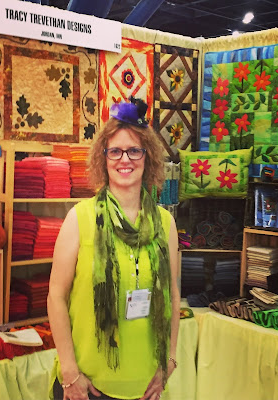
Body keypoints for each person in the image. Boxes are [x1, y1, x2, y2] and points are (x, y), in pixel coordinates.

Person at [47, 97, 180, 400]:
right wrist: (69, 372)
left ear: (148, 157)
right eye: (115, 151)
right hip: (87, 385)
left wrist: (169, 361)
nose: (125, 159)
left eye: (134, 150)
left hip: (146, 386)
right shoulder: (79, 218)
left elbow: (173, 294)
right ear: (103, 158)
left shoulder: (165, 223)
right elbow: (55, 296)